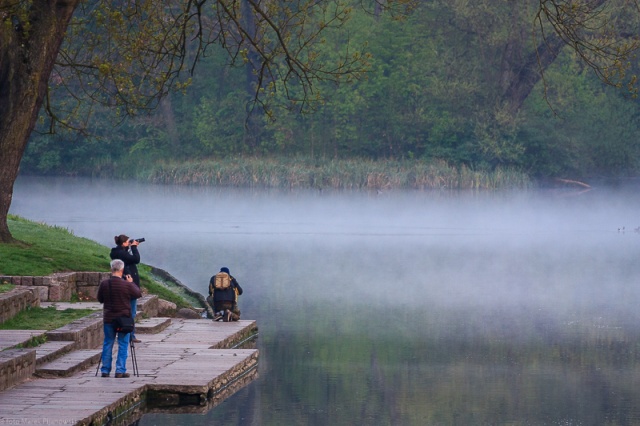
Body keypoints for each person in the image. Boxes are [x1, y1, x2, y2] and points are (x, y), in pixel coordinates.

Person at [97, 259, 142, 378]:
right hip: (123, 319)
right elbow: (138, 294)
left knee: (108, 343)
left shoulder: (104, 284)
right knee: (123, 343)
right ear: (122, 270)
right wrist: (131, 283)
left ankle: (105, 370)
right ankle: (120, 370)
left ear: (111, 269)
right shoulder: (126, 285)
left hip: (109, 318)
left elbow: (100, 299)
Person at [110, 234, 142, 343]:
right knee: (131, 312)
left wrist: (130, 247)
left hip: (124, 285)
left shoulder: (118, 253)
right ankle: (130, 335)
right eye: (128, 242)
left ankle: (127, 334)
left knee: (128, 311)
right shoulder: (121, 254)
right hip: (128, 286)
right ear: (123, 243)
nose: (129, 243)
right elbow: (136, 259)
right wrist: (134, 247)